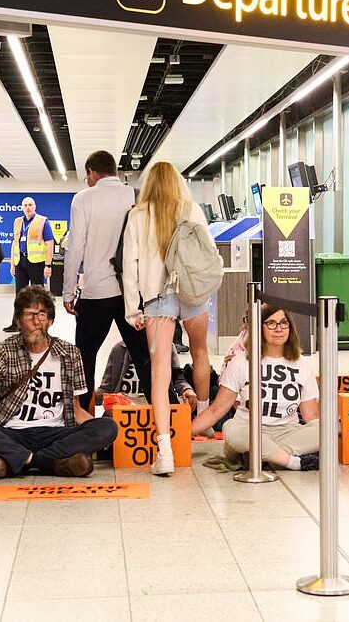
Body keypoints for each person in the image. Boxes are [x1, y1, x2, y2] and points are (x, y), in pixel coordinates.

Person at [0, 286, 116, 478]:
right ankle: (51, 462)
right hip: (12, 431)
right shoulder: (3, 351)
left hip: (55, 433)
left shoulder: (70, 353)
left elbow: (76, 411)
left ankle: (17, 461)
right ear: (17, 321)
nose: (36, 322)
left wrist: (101, 432)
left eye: (41, 315)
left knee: (108, 427)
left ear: (50, 321)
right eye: (29, 315)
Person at [122, 161, 214, 476]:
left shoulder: (137, 215)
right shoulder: (191, 209)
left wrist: (132, 309)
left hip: (157, 298)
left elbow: (129, 265)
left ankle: (165, 452)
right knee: (200, 351)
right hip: (192, 292)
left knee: (160, 374)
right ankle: (203, 421)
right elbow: (209, 251)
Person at [62, 150, 152, 412]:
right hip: (132, 293)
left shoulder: (83, 199)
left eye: (87, 176)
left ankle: (84, 417)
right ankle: (165, 420)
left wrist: (68, 293)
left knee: (85, 357)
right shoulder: (135, 195)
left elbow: (75, 248)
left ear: (91, 172)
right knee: (145, 357)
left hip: (97, 291)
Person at [190, 305, 320, 471]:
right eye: (271, 323)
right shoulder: (241, 362)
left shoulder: (302, 364)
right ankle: (290, 462)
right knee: (230, 428)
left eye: (283, 323)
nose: (279, 329)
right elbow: (216, 410)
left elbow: (311, 415)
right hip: (248, 430)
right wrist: (181, 433)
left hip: (287, 432)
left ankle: (265, 456)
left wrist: (334, 429)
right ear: (259, 327)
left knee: (324, 430)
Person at [3, 196, 54, 332]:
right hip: (21, 261)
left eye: (30, 205)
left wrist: (48, 265)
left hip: (36, 263)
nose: (28, 208)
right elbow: (15, 242)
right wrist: (12, 264)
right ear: (21, 207)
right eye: (25, 205)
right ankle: (17, 323)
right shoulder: (18, 221)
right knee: (20, 294)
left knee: (39, 294)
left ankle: (41, 322)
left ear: (35, 206)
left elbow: (50, 243)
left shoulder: (42, 221)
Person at [98, 340, 197, 408]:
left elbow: (177, 378)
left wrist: (186, 389)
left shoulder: (168, 346)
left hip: (158, 404)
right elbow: (107, 388)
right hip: (124, 405)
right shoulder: (119, 349)